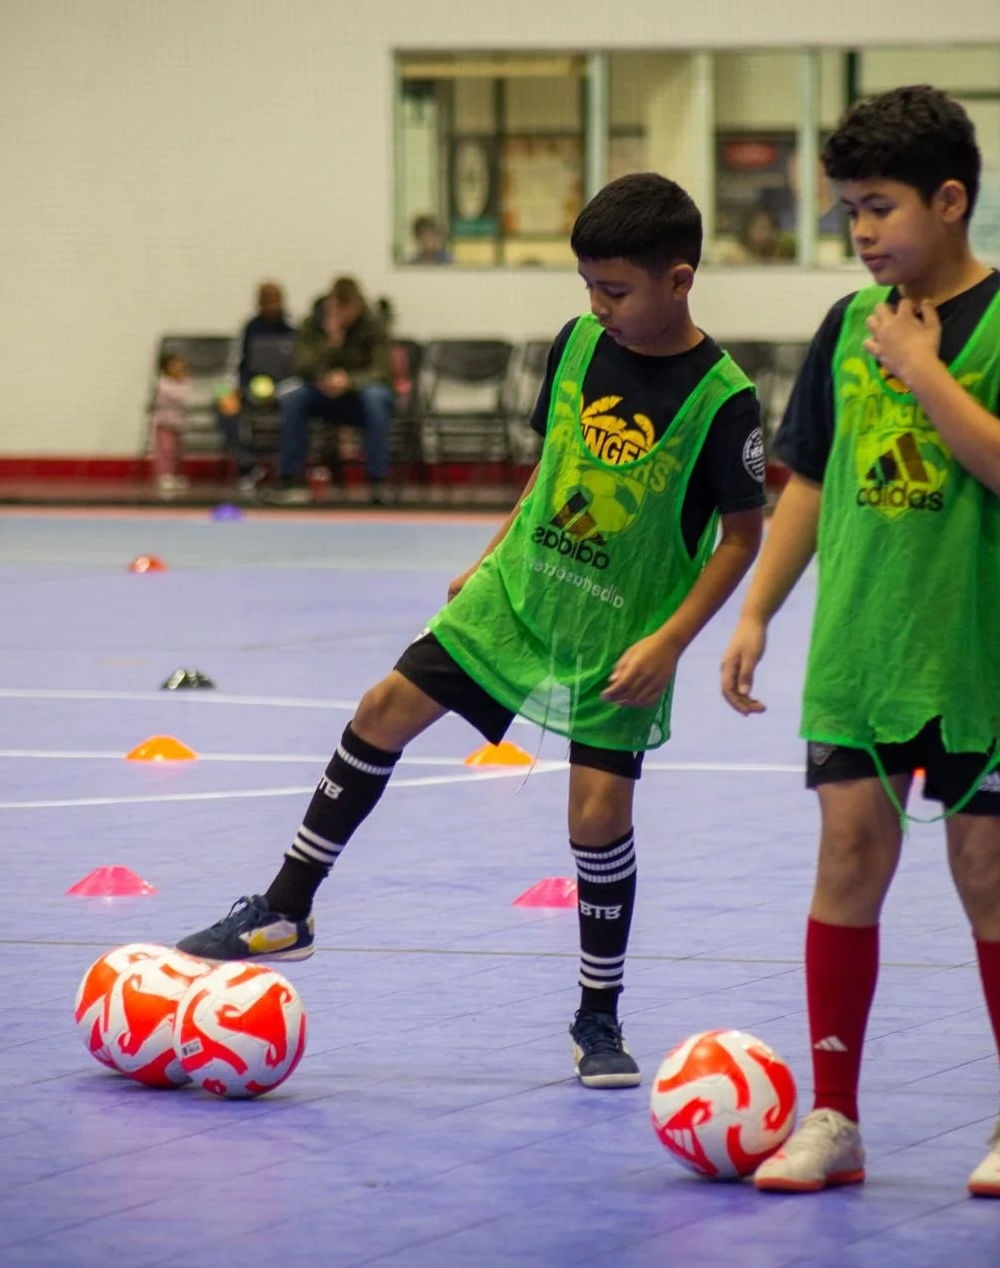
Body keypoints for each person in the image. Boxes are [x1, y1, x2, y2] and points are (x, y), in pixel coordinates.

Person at [177, 174, 767, 1089]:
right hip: (516, 594)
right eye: (588, 288)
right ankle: (286, 908)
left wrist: (675, 640)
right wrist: (487, 556)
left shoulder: (724, 399)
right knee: (381, 707)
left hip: (624, 633)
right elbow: (550, 467)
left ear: (679, 280)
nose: (597, 307)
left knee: (599, 815)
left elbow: (742, 536)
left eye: (616, 290)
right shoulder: (577, 344)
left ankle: (599, 1014)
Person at [719, 86, 1000, 1197]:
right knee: (845, 863)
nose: (861, 231)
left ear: (951, 198)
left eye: (878, 207)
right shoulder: (842, 327)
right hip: (861, 653)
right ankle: (833, 1117)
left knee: (984, 868)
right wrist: (755, 609)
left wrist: (923, 372)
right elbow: (809, 486)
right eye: (848, 213)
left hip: (974, 656)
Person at [272, 277, 394, 505]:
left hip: (359, 396)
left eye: (348, 308)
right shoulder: (312, 324)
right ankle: (290, 478)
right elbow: (301, 365)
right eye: (339, 307)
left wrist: (350, 381)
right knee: (293, 398)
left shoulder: (374, 326)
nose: (343, 314)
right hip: (322, 393)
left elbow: (382, 371)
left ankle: (377, 480)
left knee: (377, 397)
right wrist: (331, 342)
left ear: (358, 305)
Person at [220, 282, 294, 494]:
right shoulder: (248, 329)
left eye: (275, 300)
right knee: (224, 401)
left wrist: (279, 392)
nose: (271, 306)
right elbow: (235, 365)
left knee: (298, 406)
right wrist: (235, 387)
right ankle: (247, 464)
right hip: (251, 389)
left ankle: (287, 471)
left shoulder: (294, 328)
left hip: (286, 391)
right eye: (266, 301)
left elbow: (301, 370)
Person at [148, 349, 193, 497]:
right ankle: (164, 475)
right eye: (174, 366)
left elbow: (189, 395)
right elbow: (179, 397)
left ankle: (175, 474)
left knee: (178, 451)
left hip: (179, 424)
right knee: (166, 450)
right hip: (164, 423)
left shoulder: (186, 382)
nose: (179, 369)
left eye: (181, 365)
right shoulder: (163, 384)